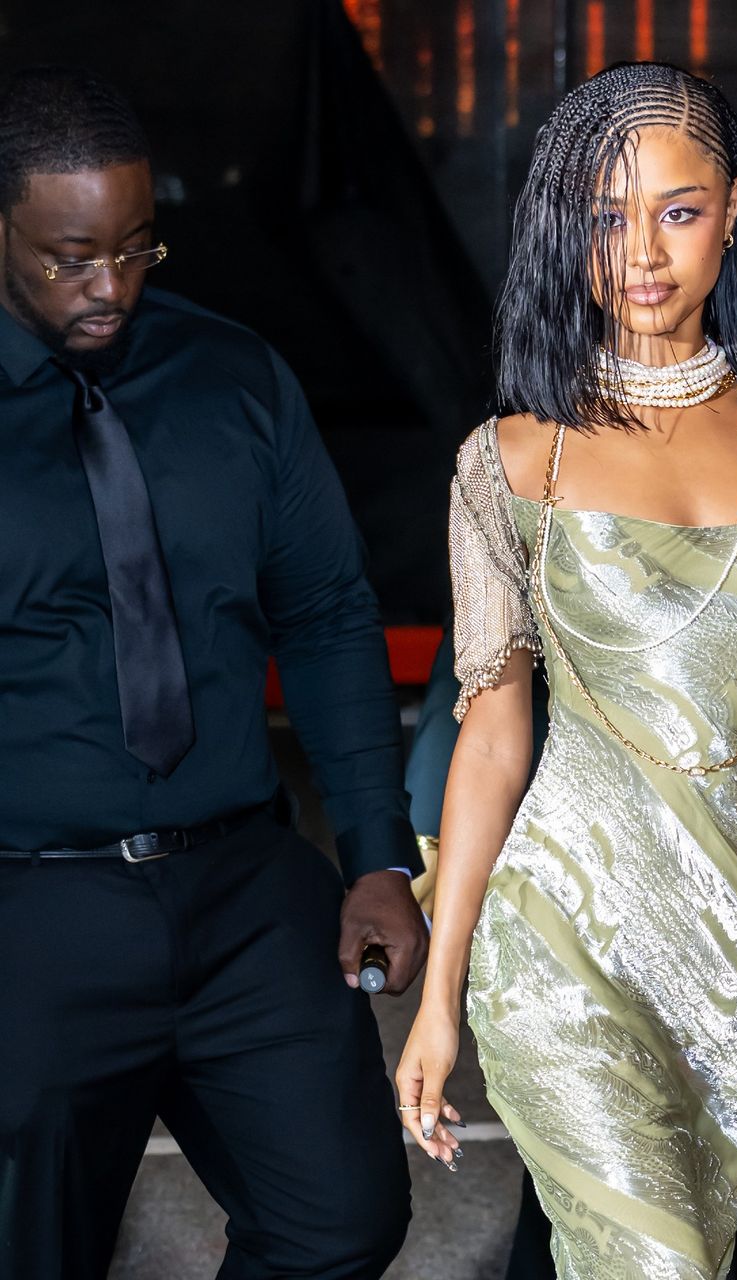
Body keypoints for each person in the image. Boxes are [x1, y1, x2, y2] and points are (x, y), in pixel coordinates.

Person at [395, 61, 737, 1280]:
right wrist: (439, 991)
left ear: (732, 213)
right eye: (604, 215)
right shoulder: (508, 459)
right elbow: (491, 738)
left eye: (676, 210)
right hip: (562, 943)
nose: (638, 251)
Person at [0, 68, 428, 1278]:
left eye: (136, 247)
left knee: (339, 1220)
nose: (111, 288)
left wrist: (377, 852)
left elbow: (328, 614)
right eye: (71, 259)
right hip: (31, 909)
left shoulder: (232, 373)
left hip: (243, 887)